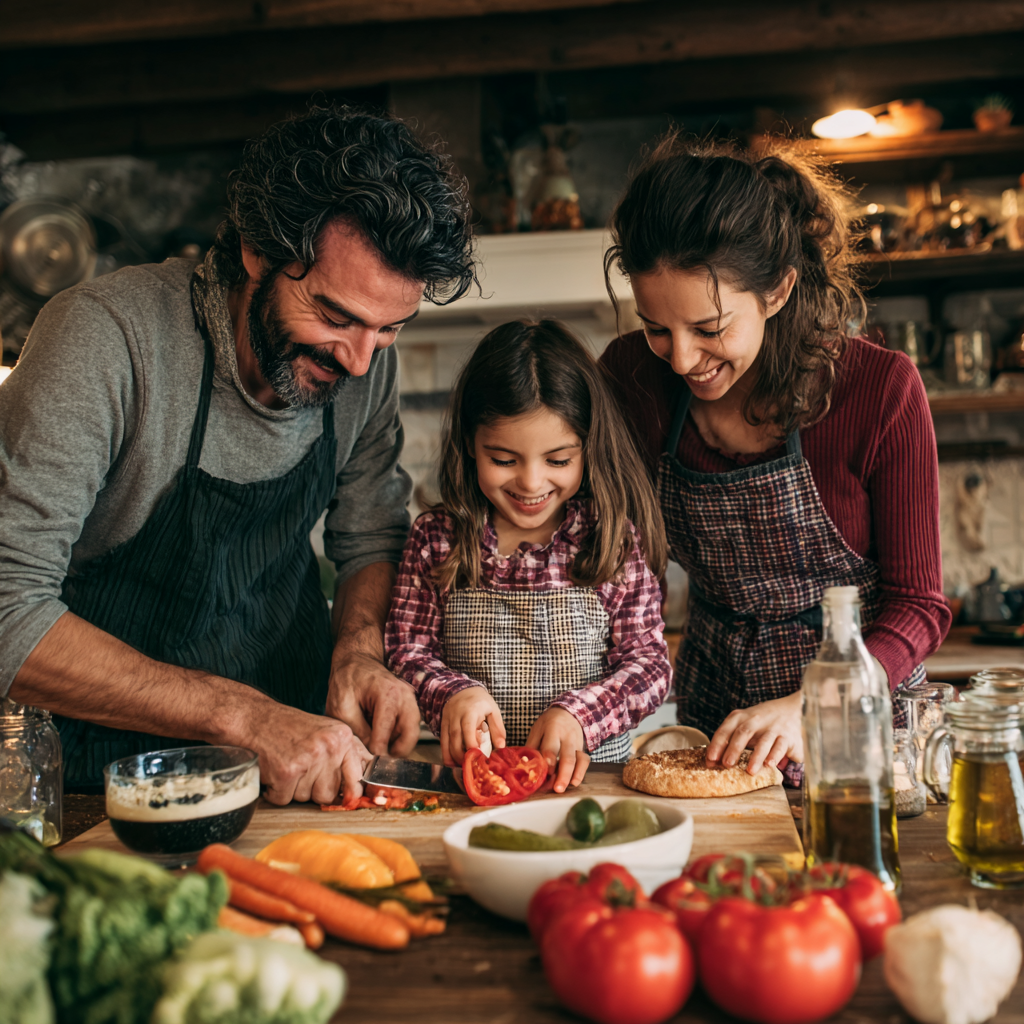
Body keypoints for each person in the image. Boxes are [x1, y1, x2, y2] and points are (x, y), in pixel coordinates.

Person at [0, 106, 475, 804]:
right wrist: (242, 716)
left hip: (300, 776)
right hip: (100, 791)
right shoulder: (106, 339)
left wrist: (358, 653)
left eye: (391, 328)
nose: (358, 358)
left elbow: (370, 534)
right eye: (335, 315)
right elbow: (9, 611)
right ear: (257, 251)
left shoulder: (365, 363)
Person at [600, 137, 950, 782]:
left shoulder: (879, 390)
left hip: (859, 722)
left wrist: (815, 703)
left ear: (779, 290)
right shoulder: (631, 379)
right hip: (716, 720)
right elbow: (603, 553)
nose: (680, 360)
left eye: (709, 329)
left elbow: (919, 606)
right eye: (656, 328)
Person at [385, 320, 671, 793]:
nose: (531, 483)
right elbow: (406, 651)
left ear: (588, 448)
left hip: (591, 788)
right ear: (469, 445)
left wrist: (581, 714)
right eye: (503, 459)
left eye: (558, 460)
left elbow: (649, 665)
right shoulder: (436, 540)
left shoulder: (611, 540)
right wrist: (450, 692)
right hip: (476, 790)